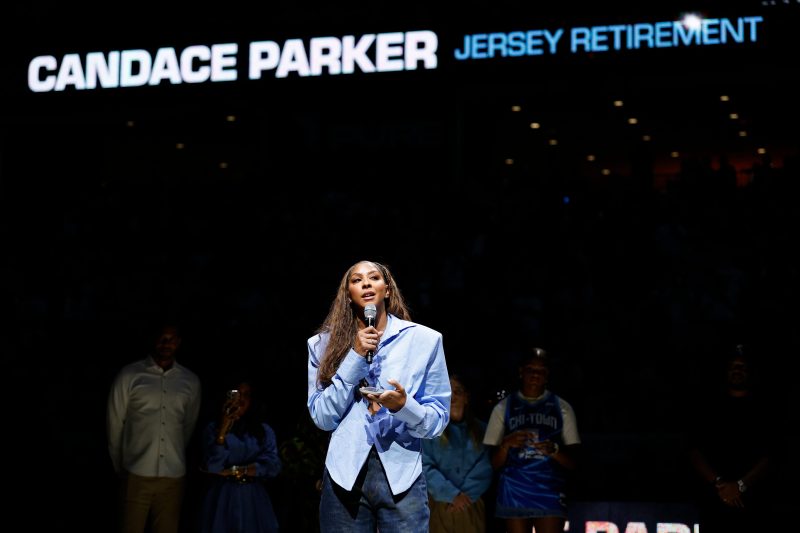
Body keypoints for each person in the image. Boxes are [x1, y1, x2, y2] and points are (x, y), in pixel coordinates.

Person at [306, 259, 451, 533]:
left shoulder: (425, 341)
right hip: (344, 473)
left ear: (387, 290)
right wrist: (354, 357)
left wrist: (404, 407)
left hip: (402, 473)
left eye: (373, 277)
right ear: (348, 294)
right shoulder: (320, 345)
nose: (366, 283)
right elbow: (322, 418)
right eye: (357, 280)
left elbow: (438, 420)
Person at [106, 324, 202, 533]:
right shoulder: (129, 375)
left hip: (173, 477)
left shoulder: (190, 381)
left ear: (179, 342)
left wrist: (172, 454)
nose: (166, 344)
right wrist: (121, 465)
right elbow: (115, 424)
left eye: (171, 338)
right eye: (162, 338)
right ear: (153, 340)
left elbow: (187, 426)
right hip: (136, 473)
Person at [482, 347, 581, 533]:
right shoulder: (503, 407)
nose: (535, 375)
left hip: (549, 490)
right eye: (530, 369)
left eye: (541, 370)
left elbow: (575, 463)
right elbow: (490, 466)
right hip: (513, 490)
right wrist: (506, 445)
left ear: (547, 375)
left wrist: (555, 451)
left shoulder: (562, 408)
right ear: (521, 372)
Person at [687, 344, 775, 533]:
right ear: (726, 372)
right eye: (734, 366)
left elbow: (770, 456)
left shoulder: (764, 410)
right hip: (715, 502)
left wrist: (741, 486)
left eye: (742, 367)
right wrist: (720, 485)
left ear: (749, 373)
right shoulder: (710, 408)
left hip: (752, 502)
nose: (738, 371)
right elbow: (694, 451)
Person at [200, 374, 282, 533]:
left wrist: (238, 470)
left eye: (246, 395)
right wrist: (223, 430)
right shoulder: (212, 429)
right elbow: (212, 466)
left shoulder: (263, 431)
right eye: (236, 394)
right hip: (222, 498)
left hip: (252, 498)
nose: (241, 400)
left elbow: (273, 465)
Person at [422, 373, 493, 533]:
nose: (453, 397)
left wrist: (464, 495)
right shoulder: (432, 430)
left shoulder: (482, 430)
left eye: (458, 392)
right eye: (448, 391)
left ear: (466, 398)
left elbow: (486, 466)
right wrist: (451, 495)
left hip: (470, 503)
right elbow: (424, 465)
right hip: (440, 503)